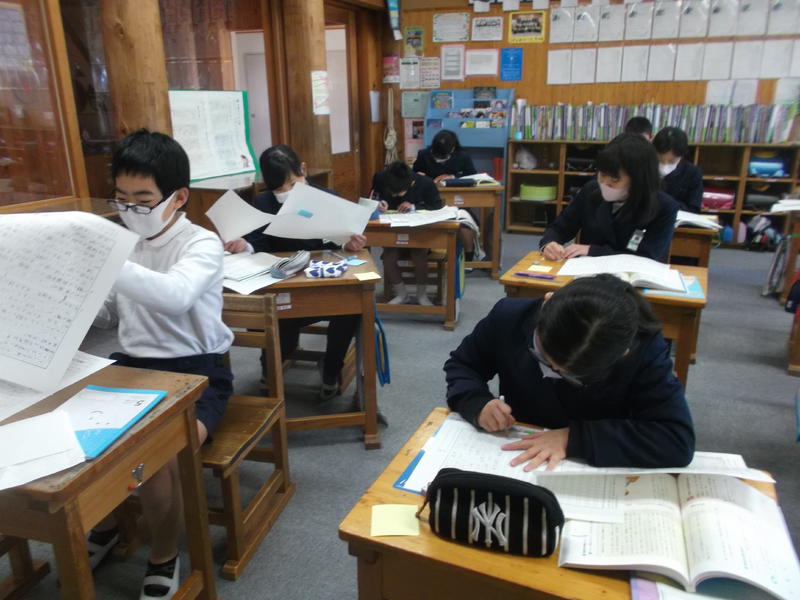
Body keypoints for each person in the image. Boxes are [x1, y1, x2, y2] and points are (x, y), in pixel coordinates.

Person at [91, 129, 235, 599]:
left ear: (178, 197)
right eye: (121, 199)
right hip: (132, 366)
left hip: (197, 372)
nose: (130, 210)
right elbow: (110, 315)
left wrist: (104, 260)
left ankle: (163, 554)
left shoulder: (201, 244)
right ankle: (107, 526)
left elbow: (174, 297)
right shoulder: (124, 242)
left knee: (152, 457)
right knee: (84, 439)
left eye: (143, 200)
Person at [444, 274, 695, 470]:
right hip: (514, 444)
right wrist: (477, 403)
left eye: (572, 374)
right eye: (543, 356)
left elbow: (675, 439)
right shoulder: (509, 316)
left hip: (587, 462)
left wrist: (574, 439)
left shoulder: (644, 347)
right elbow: (464, 365)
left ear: (622, 354)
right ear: (547, 301)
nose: (553, 372)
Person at [225, 145, 367, 400]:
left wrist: (350, 244)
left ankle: (331, 370)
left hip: (324, 286)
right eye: (278, 188)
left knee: (350, 309)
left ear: (303, 170)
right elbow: (258, 242)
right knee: (273, 314)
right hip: (284, 288)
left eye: (292, 184)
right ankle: (271, 370)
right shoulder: (264, 202)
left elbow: (340, 241)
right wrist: (244, 245)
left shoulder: (328, 198)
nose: (285, 193)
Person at [539, 133, 678, 262]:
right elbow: (559, 228)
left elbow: (647, 258)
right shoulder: (591, 191)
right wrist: (549, 243)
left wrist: (593, 251)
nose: (605, 183)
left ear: (638, 181)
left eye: (615, 180)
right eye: (602, 174)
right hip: (585, 273)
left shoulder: (664, 207)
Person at [371, 160, 442, 305]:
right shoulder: (379, 178)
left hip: (418, 233)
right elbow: (372, 198)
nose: (395, 196)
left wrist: (415, 207)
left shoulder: (425, 183)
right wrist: (378, 204)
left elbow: (437, 207)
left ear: (411, 183)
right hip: (392, 231)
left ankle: (422, 295)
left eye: (398, 192)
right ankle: (402, 294)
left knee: (418, 254)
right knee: (388, 257)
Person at [413, 129, 480, 260]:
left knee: (464, 224)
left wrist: (453, 177)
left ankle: (468, 258)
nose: (439, 159)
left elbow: (472, 176)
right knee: (422, 222)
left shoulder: (462, 156)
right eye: (437, 156)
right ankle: (424, 253)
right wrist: (422, 178)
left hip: (457, 201)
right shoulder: (423, 154)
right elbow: (415, 175)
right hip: (430, 201)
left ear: (453, 149)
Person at [653, 126, 703, 213]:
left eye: (671, 161)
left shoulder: (693, 173)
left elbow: (693, 208)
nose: (665, 164)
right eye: (660, 160)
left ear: (682, 155)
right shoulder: (644, 167)